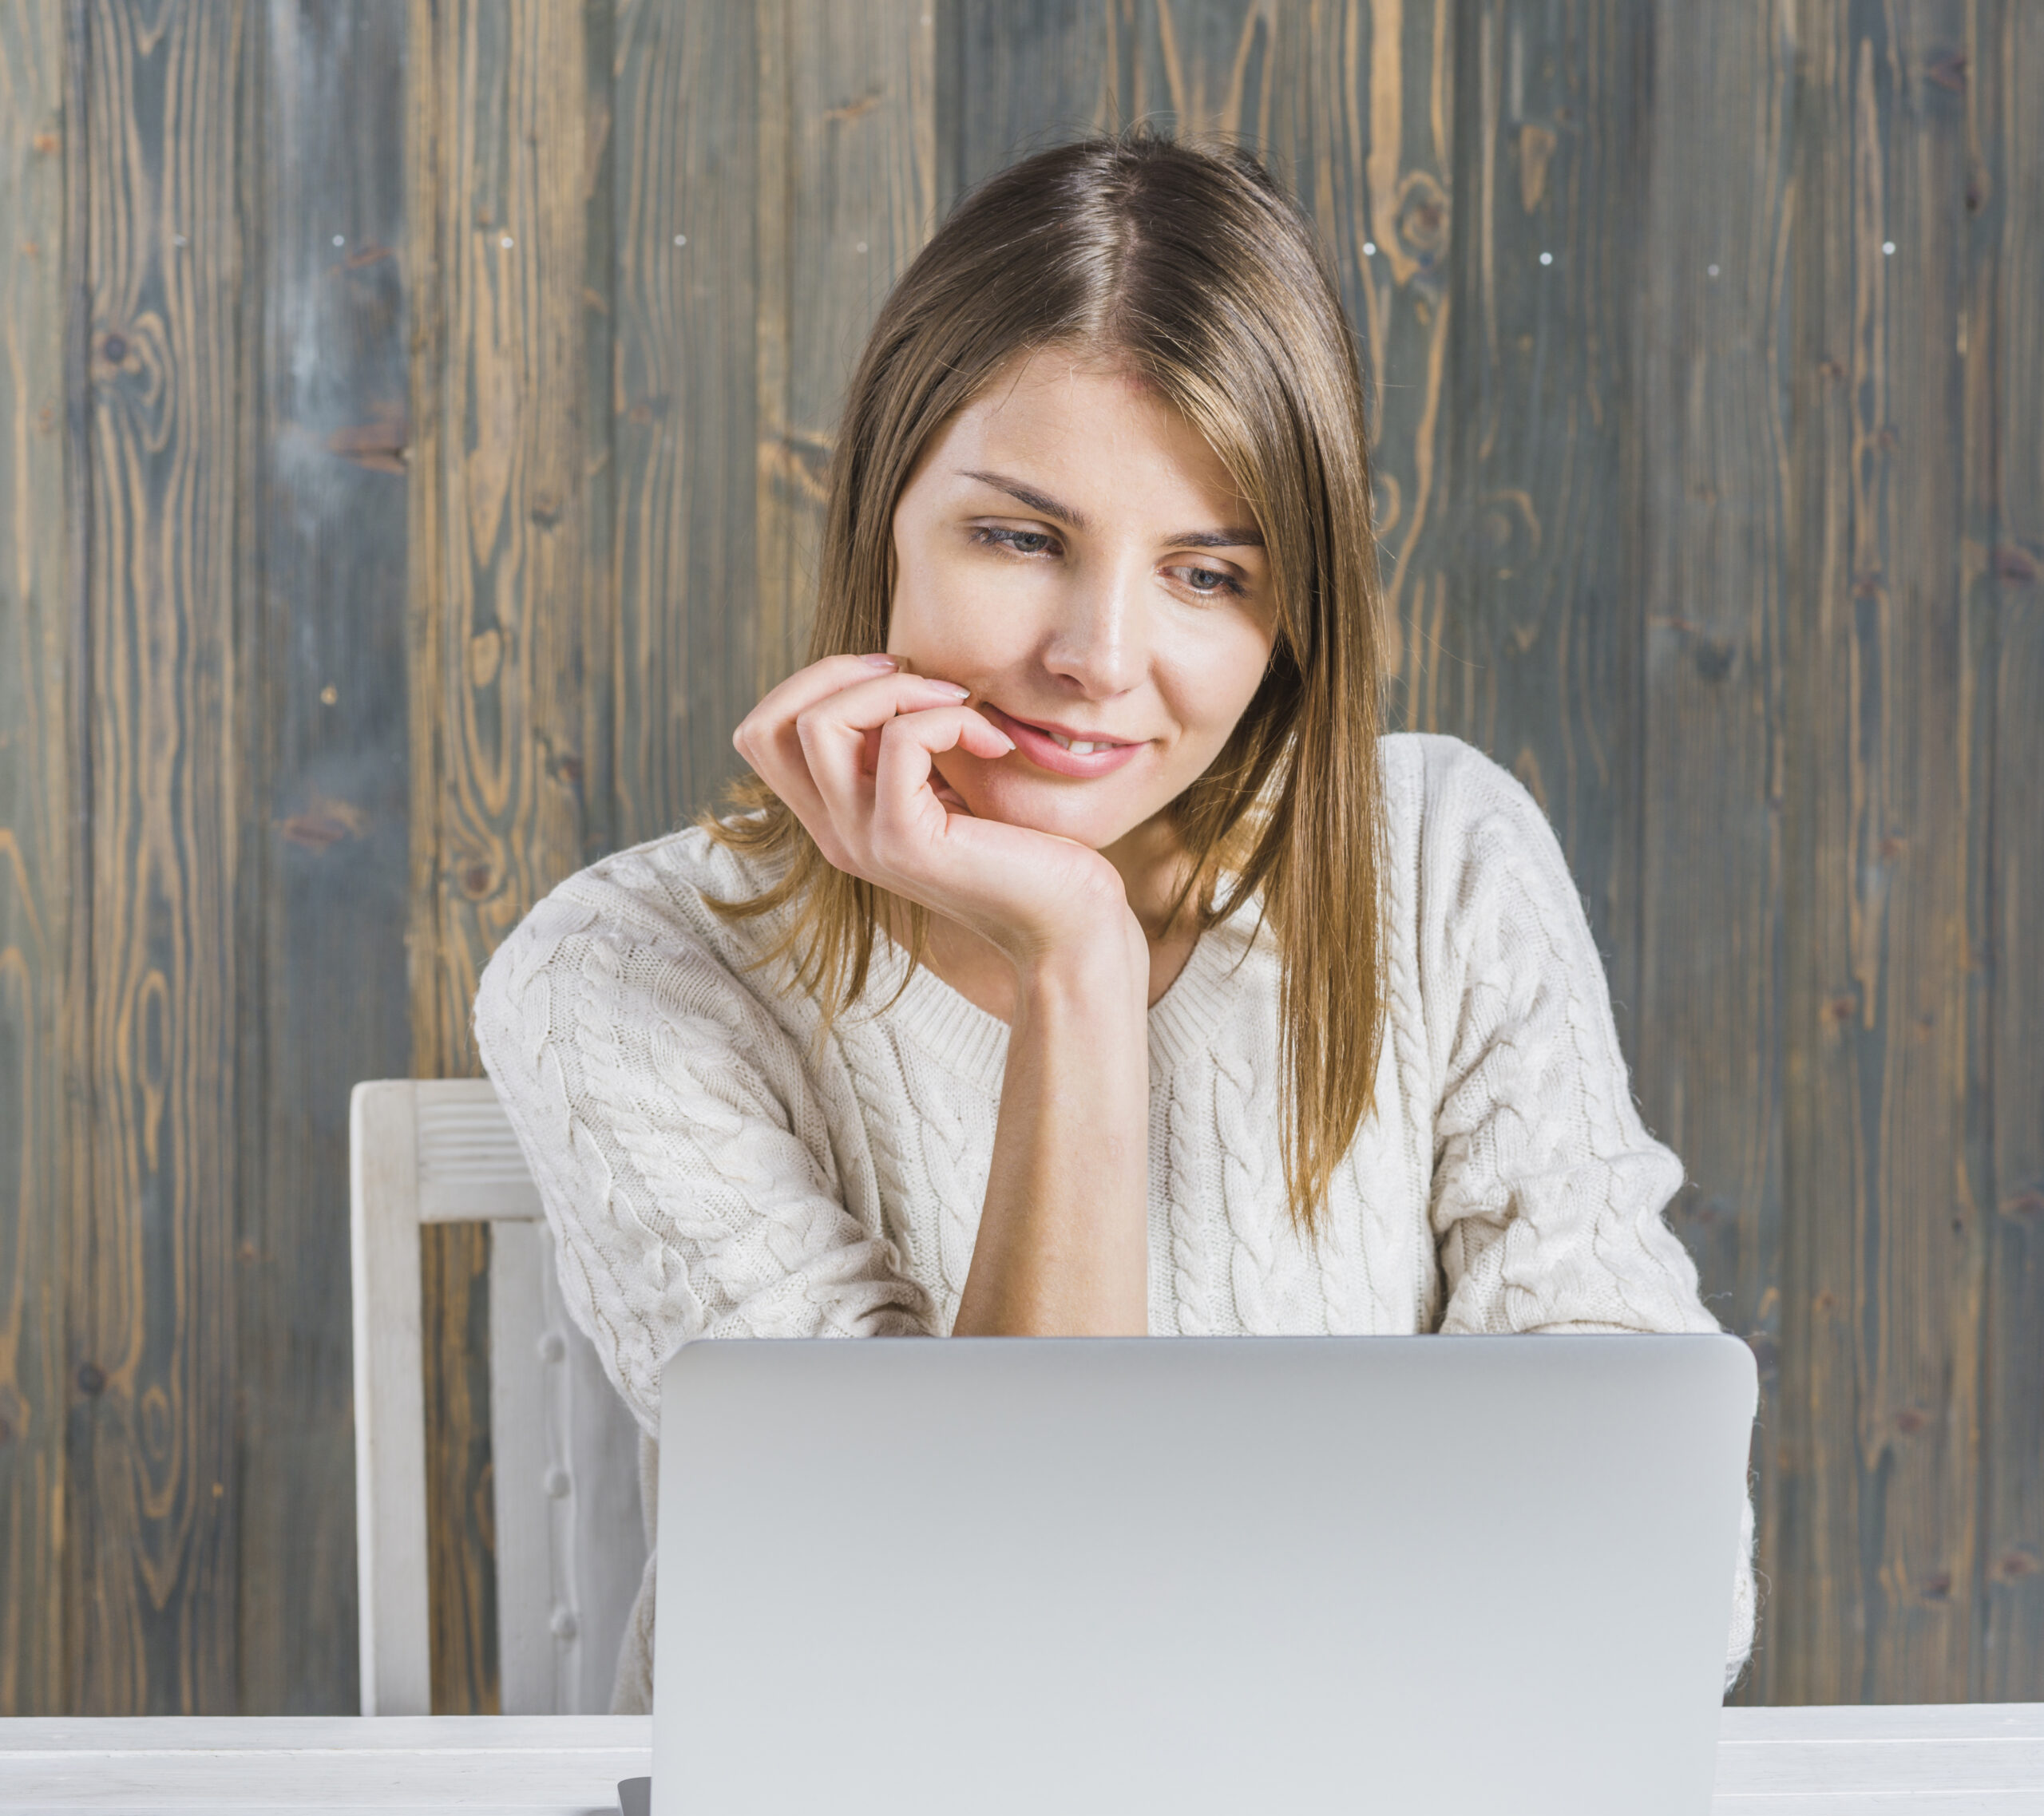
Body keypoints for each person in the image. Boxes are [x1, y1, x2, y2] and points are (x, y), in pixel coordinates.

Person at [474, 129, 1757, 1711]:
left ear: (1296, 616)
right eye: (1018, 537)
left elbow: (1667, 1577)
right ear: (883, 512)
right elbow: (991, 1657)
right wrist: (1074, 958)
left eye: (1208, 573)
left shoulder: (1441, 856)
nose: (1099, 652)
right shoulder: (622, 972)